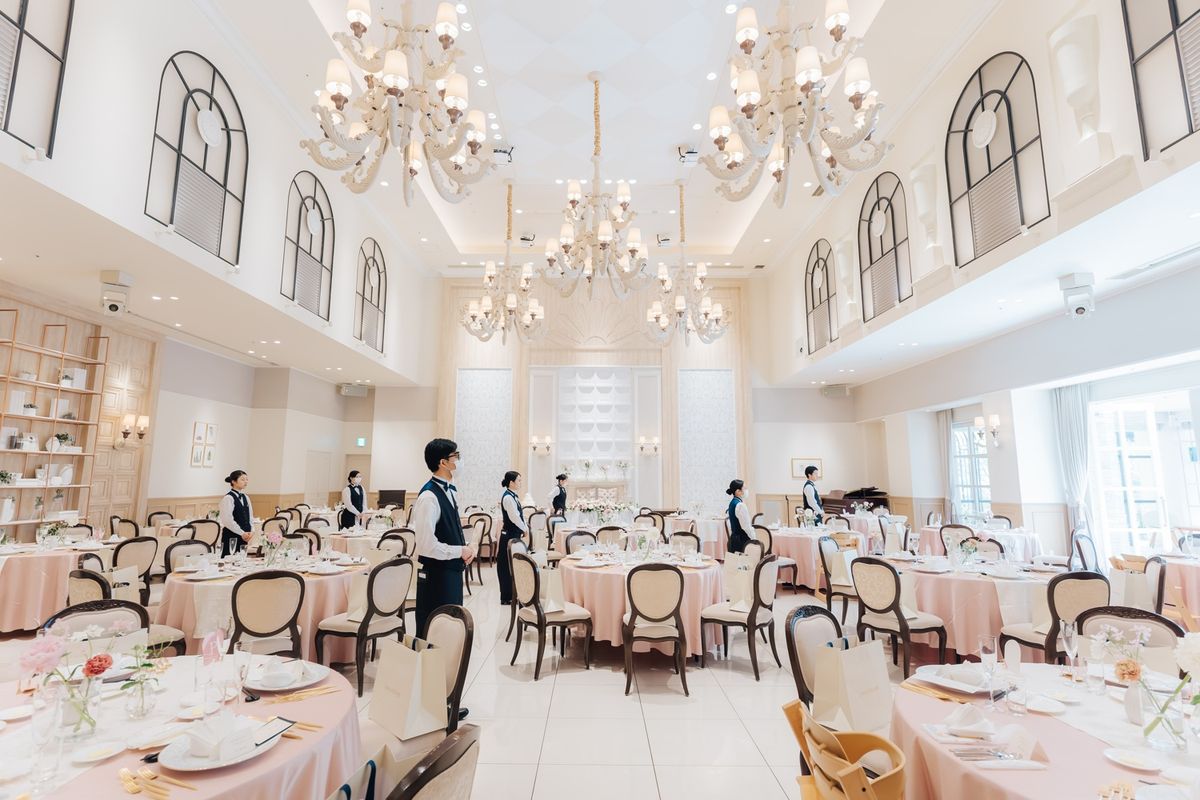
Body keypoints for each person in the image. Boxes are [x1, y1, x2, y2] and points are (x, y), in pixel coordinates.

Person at [497, 470, 527, 606]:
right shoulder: (508, 497)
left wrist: (525, 527)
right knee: (505, 566)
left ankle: (513, 594)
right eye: (519, 480)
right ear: (511, 482)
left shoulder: (514, 496)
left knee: (513, 564)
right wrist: (524, 529)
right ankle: (506, 596)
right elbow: (514, 517)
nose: (520, 483)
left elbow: (520, 515)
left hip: (514, 534)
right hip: (508, 535)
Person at [219, 470, 254, 557]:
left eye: (246, 479)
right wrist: (242, 533)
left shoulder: (246, 497)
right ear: (233, 481)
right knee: (229, 560)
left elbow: (250, 517)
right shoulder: (228, 498)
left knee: (241, 561)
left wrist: (251, 531)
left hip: (244, 537)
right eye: (242, 479)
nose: (246, 482)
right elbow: (227, 520)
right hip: (231, 536)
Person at [726, 478, 752, 554]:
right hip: (742, 541)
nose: (746, 490)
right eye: (745, 488)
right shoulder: (740, 505)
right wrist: (754, 539)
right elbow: (746, 527)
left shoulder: (732, 503)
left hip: (734, 539)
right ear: (738, 491)